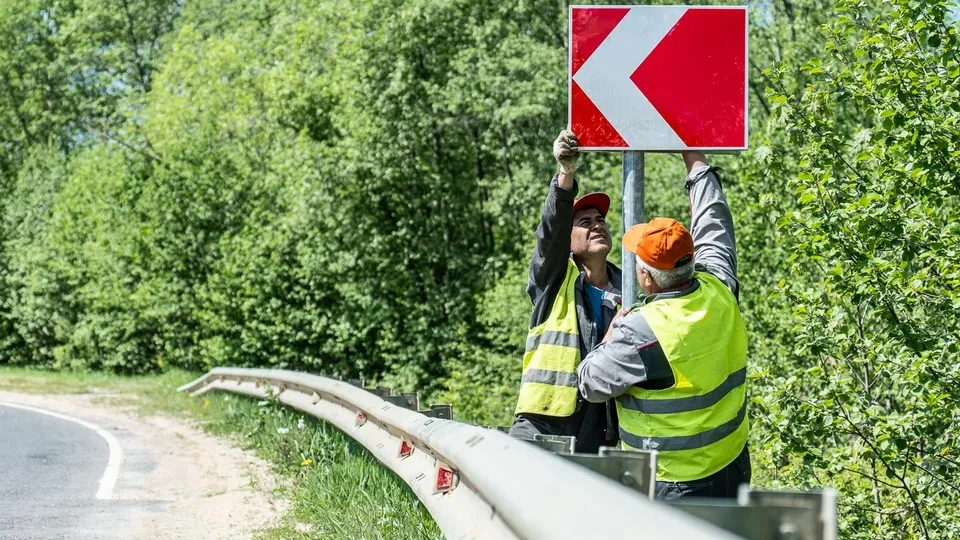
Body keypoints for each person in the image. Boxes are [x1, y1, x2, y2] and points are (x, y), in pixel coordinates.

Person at [577, 151, 750, 500]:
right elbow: (713, 221)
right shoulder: (719, 286)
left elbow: (590, 382)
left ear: (646, 279)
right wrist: (694, 157)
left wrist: (610, 335)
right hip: (732, 464)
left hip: (673, 483)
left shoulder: (639, 332)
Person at [508, 130, 622, 454]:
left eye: (600, 220)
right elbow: (551, 231)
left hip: (598, 432)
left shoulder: (628, 289)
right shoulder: (553, 279)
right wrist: (566, 174)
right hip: (541, 427)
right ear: (568, 240)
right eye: (584, 222)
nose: (597, 224)